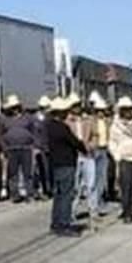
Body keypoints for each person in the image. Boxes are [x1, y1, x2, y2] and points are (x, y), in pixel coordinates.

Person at [46, 97, 89, 236]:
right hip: (66, 163)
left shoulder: (48, 126)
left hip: (55, 164)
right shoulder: (62, 127)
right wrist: (84, 149)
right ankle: (64, 224)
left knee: (58, 195)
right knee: (66, 195)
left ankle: (55, 222)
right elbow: (75, 142)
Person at [109, 97, 132, 223]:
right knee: (126, 188)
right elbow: (112, 142)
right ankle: (127, 213)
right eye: (124, 109)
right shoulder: (116, 125)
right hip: (125, 159)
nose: (127, 112)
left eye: (129, 109)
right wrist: (117, 156)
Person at [0, 94, 35, 203]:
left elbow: (33, 131)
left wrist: (33, 143)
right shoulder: (5, 120)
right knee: (13, 173)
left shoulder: (27, 118)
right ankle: (15, 195)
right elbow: (1, 134)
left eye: (15, 107)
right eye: (12, 107)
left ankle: (29, 193)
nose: (14, 109)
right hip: (11, 149)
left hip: (26, 148)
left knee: (27, 172)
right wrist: (4, 147)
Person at [68, 95, 98, 217]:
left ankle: (93, 210)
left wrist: (91, 145)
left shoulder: (88, 120)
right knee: (75, 186)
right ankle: (72, 212)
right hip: (74, 156)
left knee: (91, 184)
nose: (77, 108)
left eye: (78, 105)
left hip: (87, 155)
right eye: (74, 106)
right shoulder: (67, 121)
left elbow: (95, 135)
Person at [91, 98, 112, 216]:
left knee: (102, 177)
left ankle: (100, 201)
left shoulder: (107, 121)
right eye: (99, 111)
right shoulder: (91, 121)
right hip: (95, 150)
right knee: (94, 178)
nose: (101, 113)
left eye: (102, 110)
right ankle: (96, 203)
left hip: (104, 150)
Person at [31, 96, 52, 199]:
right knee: (42, 170)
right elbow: (35, 134)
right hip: (40, 148)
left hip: (48, 147)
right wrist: (36, 146)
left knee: (48, 169)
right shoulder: (36, 119)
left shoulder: (48, 118)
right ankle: (45, 190)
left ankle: (48, 189)